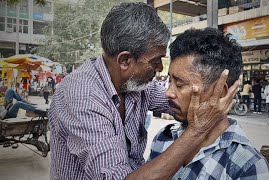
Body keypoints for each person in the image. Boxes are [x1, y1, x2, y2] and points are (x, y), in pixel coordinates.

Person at [48, 3, 238, 179]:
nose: (160, 69)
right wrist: (197, 131)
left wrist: (213, 97)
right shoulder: (82, 96)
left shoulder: (135, 85)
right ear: (125, 61)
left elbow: (181, 101)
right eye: (155, 61)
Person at [149, 28, 269, 179]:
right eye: (170, 80)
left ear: (220, 92)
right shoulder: (164, 138)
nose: (168, 92)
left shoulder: (248, 167)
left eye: (180, 84)